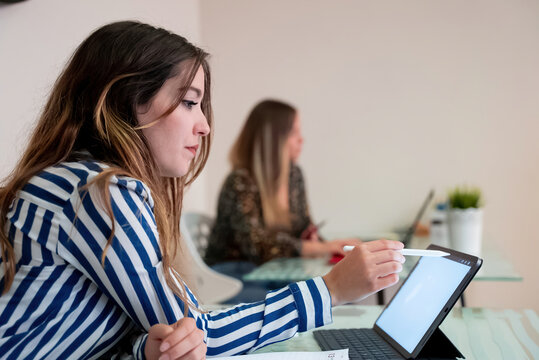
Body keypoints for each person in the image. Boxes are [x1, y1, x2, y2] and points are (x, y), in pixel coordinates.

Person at [0, 21, 405, 359]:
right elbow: (200, 333)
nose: (205, 126)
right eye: (190, 103)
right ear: (129, 101)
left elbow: (93, 336)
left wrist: (148, 350)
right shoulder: (100, 193)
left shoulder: (68, 180)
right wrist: (331, 289)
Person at [205, 100, 358, 268]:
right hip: (234, 273)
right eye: (294, 133)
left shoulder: (294, 175)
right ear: (272, 139)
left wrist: (330, 245)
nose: (302, 139)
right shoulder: (239, 182)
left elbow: (304, 227)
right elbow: (257, 248)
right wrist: (321, 247)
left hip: (271, 271)